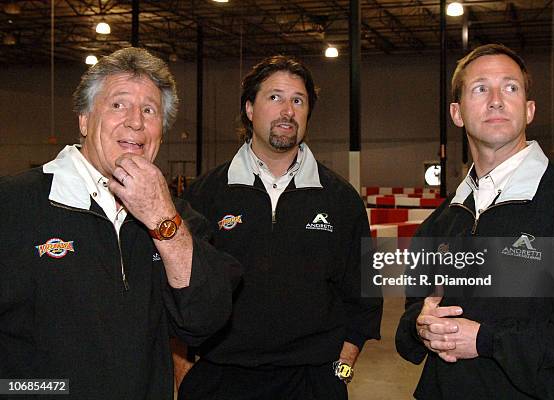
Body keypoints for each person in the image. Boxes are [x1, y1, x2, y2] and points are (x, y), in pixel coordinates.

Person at [0, 47, 240, 400]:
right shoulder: (15, 204)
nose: (136, 122)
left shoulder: (178, 218)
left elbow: (204, 320)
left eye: (149, 110)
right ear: (84, 119)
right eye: (118, 105)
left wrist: (161, 219)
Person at [395, 44, 554, 399]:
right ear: (457, 112)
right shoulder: (441, 222)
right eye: (480, 88)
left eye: (510, 87)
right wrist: (421, 327)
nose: (496, 100)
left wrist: (486, 341)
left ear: (528, 110)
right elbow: (412, 312)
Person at [178, 55, 383, 400]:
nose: (287, 110)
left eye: (298, 100)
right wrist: (185, 375)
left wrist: (340, 372)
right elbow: (179, 293)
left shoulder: (341, 200)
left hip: (312, 381)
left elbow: (364, 297)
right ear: (249, 109)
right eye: (274, 97)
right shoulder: (204, 195)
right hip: (221, 379)